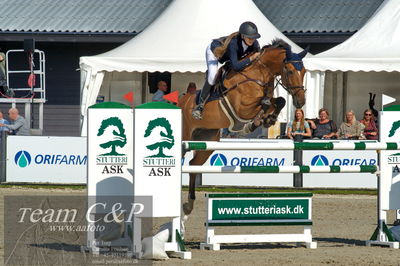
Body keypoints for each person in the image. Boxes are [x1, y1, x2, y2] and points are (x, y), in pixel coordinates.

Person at [192, 21, 261, 120]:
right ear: (242, 36)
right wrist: (251, 58)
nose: (252, 40)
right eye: (249, 37)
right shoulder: (234, 43)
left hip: (229, 58)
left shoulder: (254, 44)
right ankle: (199, 106)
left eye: (254, 38)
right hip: (214, 52)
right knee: (212, 77)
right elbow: (236, 66)